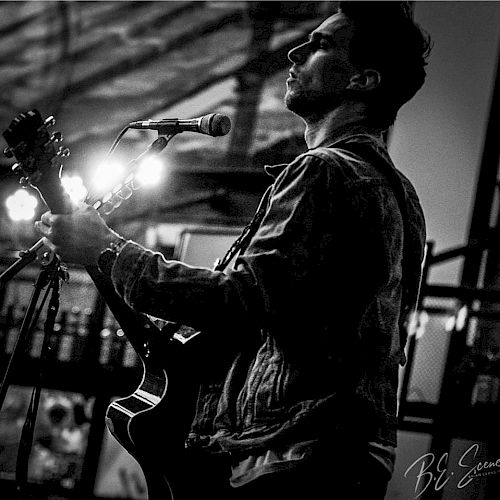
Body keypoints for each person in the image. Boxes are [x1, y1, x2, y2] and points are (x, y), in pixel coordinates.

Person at [36, 2, 432, 499]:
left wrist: (108, 249)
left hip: (293, 446)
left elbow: (238, 301)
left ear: (364, 80)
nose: (295, 51)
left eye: (322, 45)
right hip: (348, 447)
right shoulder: (400, 192)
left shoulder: (324, 171)